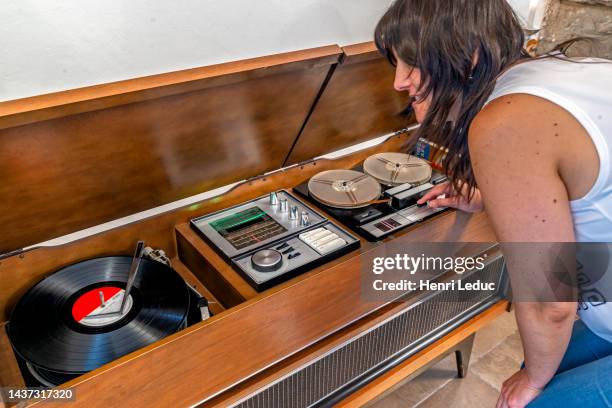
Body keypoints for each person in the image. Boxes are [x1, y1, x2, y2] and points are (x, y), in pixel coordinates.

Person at [374, 1, 612, 407]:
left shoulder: (504, 121)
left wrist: (531, 382)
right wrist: (490, 198)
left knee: (533, 393)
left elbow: (550, 302)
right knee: (546, 358)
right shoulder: (568, 67)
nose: (399, 82)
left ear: (471, 54)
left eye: (411, 62)